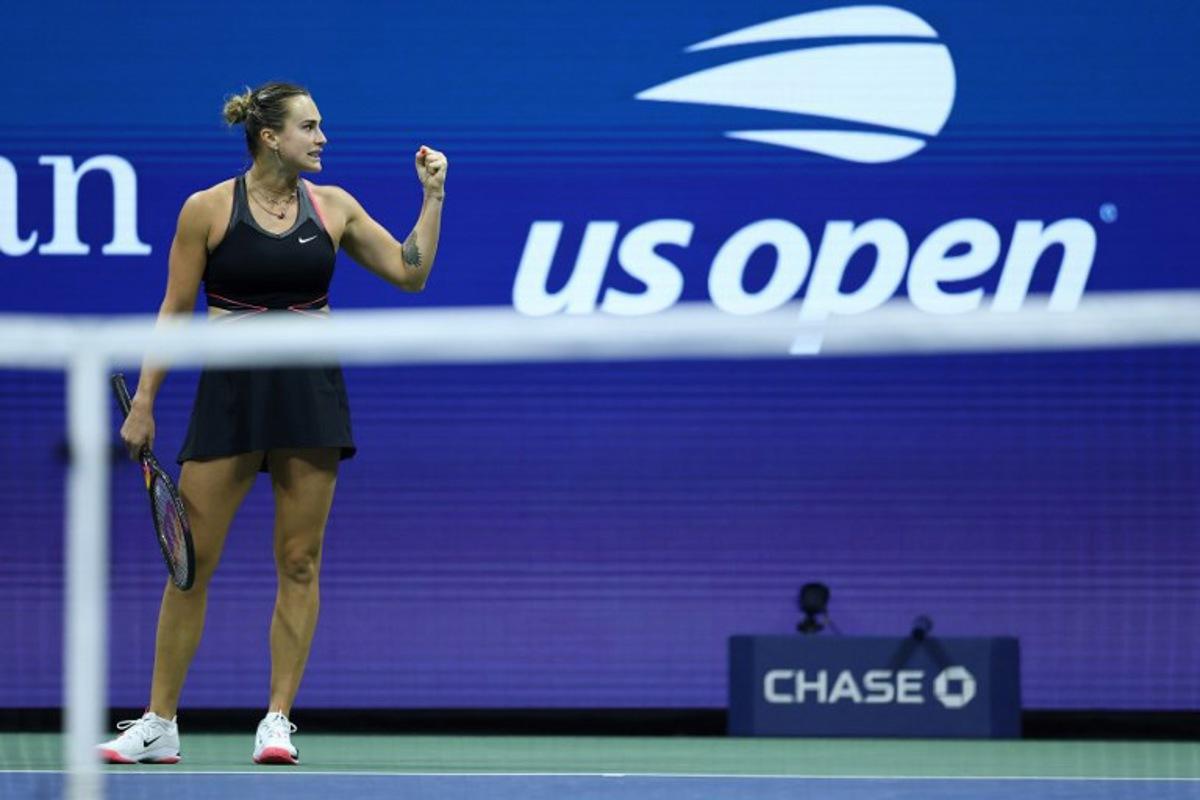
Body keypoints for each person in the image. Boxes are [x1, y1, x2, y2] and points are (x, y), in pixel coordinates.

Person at [97, 81, 447, 765]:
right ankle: (159, 722)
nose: (322, 139)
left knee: (299, 559)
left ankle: (278, 719)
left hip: (309, 395)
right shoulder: (206, 210)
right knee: (191, 565)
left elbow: (412, 274)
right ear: (270, 136)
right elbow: (174, 309)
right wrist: (144, 400)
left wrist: (432, 196)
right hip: (230, 393)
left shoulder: (334, 206)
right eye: (310, 127)